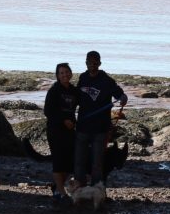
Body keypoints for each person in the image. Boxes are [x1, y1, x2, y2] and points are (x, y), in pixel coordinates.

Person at [74, 50, 127, 187]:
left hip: (100, 129)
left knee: (97, 163)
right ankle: (79, 191)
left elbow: (119, 94)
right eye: (89, 62)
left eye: (95, 62)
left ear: (99, 63)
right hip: (83, 127)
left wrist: (122, 98)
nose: (92, 65)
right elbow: (76, 98)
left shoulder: (107, 80)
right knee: (79, 161)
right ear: (85, 63)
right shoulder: (82, 78)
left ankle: (97, 192)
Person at [43, 62, 79, 199]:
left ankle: (57, 187)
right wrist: (64, 120)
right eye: (61, 73)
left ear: (71, 73)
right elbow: (47, 111)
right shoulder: (54, 90)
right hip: (55, 130)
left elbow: (86, 103)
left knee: (69, 161)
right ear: (58, 76)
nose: (65, 75)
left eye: (66, 72)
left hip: (70, 131)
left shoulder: (74, 91)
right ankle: (61, 192)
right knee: (58, 160)